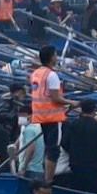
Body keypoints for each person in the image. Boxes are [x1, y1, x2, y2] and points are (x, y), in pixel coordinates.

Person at [27, 46, 68, 179]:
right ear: (52, 57)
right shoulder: (51, 75)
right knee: (53, 150)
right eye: (56, 55)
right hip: (53, 117)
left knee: (48, 148)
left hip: (41, 116)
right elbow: (55, 98)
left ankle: (46, 177)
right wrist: (72, 103)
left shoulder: (36, 74)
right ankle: (48, 179)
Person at [60, 97, 97, 194]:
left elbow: (64, 143)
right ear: (94, 110)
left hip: (76, 165)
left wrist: (73, 152)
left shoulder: (73, 124)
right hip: (95, 167)